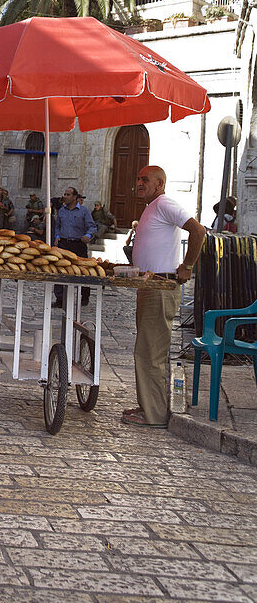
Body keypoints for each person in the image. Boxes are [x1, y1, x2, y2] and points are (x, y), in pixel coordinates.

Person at [122, 166, 206, 429]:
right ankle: (147, 405)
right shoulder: (152, 206)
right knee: (146, 348)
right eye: (138, 178)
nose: (138, 182)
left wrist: (188, 265)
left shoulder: (165, 203)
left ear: (159, 184)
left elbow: (198, 231)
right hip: (150, 285)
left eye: (144, 179)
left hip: (161, 285)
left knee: (151, 351)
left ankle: (154, 414)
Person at [53, 186, 97, 307]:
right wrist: (57, 237)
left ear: (75, 197)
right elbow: (57, 226)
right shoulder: (61, 211)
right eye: (65, 194)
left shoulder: (83, 211)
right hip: (64, 243)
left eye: (68, 195)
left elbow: (92, 226)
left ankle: (84, 296)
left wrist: (88, 235)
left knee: (83, 271)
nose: (65, 197)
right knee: (60, 270)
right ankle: (60, 298)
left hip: (78, 244)